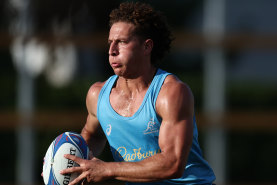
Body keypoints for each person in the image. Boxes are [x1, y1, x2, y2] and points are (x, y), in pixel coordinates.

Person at [60, 2, 216, 185]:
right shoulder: (97, 95)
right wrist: (66, 164)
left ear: (146, 47)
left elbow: (172, 164)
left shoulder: (171, 93)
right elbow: (93, 135)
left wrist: (107, 169)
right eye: (110, 43)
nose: (112, 51)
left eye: (122, 42)